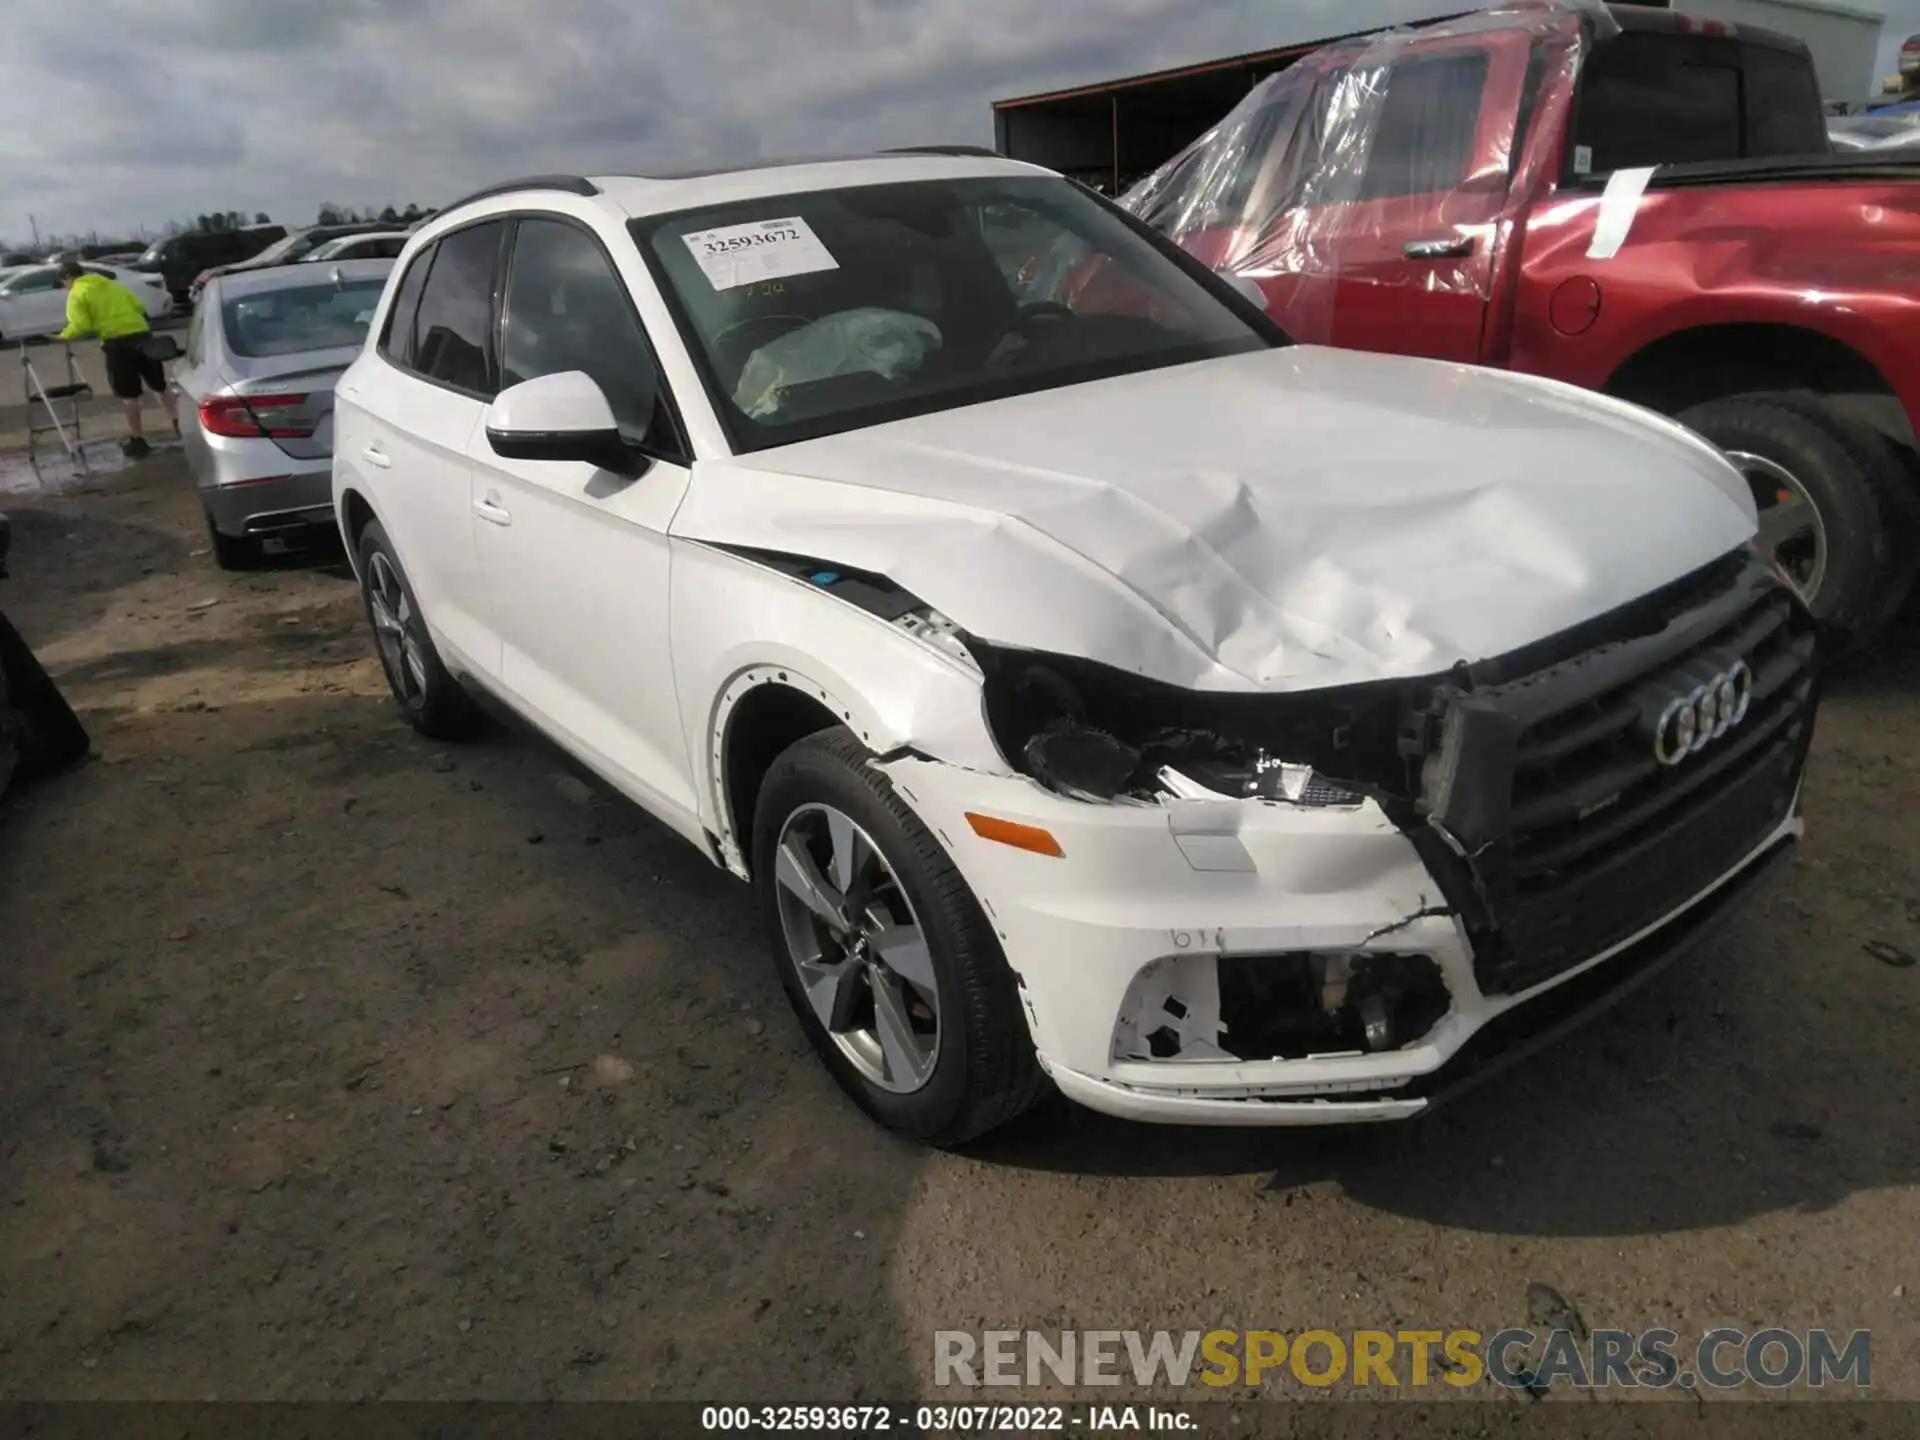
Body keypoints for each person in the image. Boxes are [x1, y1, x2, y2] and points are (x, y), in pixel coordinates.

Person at [55, 259, 175, 459]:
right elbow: (139, 306)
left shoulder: (77, 293)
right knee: (159, 384)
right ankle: (180, 425)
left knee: (129, 394)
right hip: (142, 336)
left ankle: (138, 439)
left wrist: (63, 336)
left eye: (63, 283)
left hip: (117, 343)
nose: (65, 287)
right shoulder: (113, 285)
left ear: (67, 277)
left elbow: (81, 325)